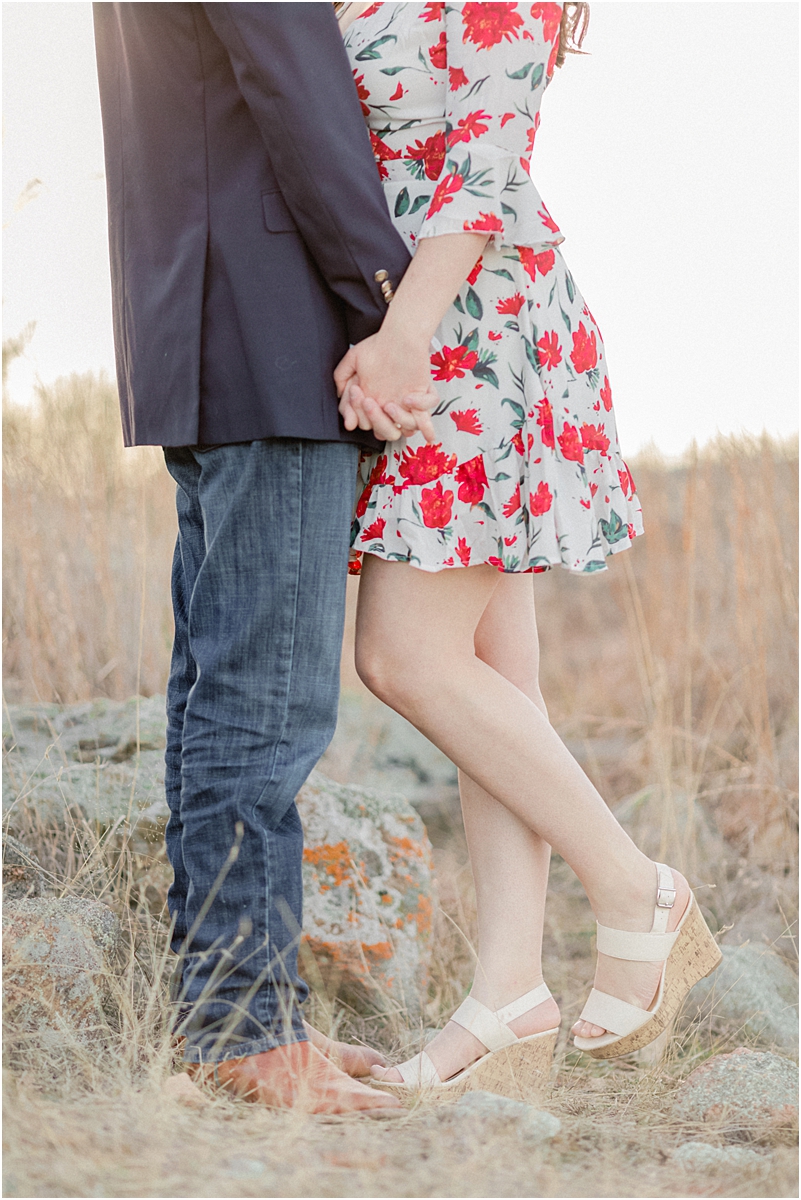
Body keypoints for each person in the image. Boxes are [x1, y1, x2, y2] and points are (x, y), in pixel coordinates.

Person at [334, 1, 721, 1095]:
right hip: (407, 325)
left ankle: (636, 890)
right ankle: (506, 996)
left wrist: (406, 338)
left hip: (469, 327)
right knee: (500, 679)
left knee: (404, 656)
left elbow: (488, 153)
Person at [93, 2, 433, 1114]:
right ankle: (246, 1031)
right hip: (273, 328)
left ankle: (232, 1019)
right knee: (265, 703)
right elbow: (296, 85)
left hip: (199, 320)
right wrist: (390, 302)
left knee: (217, 693)